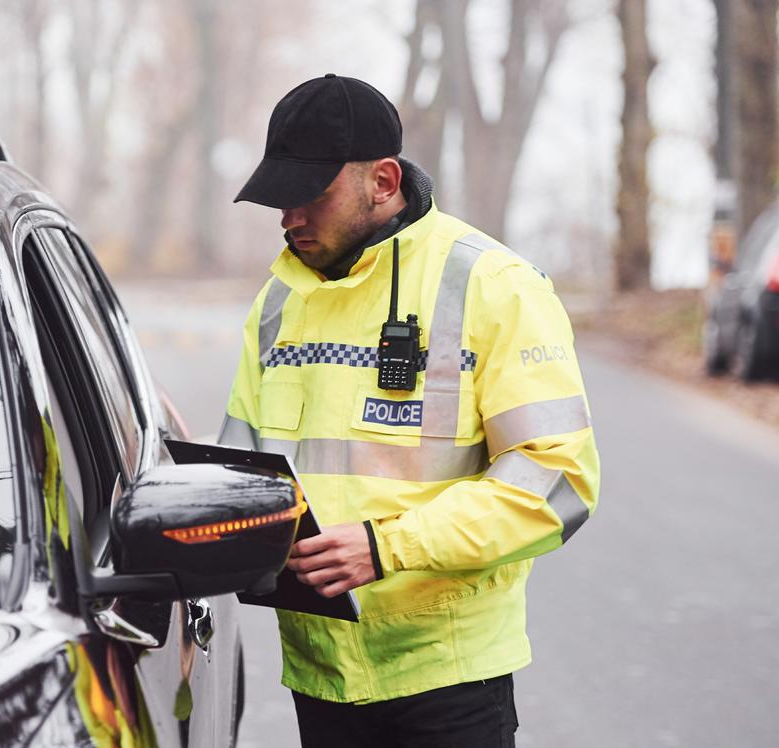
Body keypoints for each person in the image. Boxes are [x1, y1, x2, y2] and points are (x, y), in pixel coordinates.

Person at [219, 74, 601, 746]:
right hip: (320, 674)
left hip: (447, 681)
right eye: (278, 200)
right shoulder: (279, 301)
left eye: (309, 195)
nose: (288, 218)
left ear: (384, 181)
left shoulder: (494, 286)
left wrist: (385, 547)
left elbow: (559, 482)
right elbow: (241, 467)